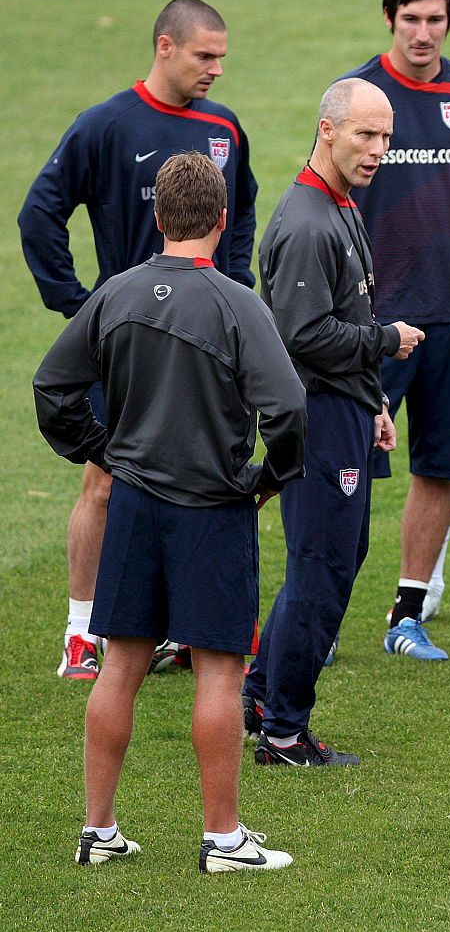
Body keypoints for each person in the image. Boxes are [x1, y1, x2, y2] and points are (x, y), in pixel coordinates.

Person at [34, 152, 305, 872]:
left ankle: (98, 830)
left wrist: (108, 454)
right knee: (220, 667)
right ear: (220, 220)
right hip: (212, 511)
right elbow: (287, 409)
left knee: (119, 664)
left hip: (133, 508)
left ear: (158, 218)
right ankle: (223, 839)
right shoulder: (238, 303)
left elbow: (52, 389)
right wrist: (266, 479)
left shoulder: (115, 294)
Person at [19, 0, 259, 681]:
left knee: (203, 473)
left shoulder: (224, 127)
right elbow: (39, 214)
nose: (217, 68)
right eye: (204, 55)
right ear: (164, 46)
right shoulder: (105, 125)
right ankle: (80, 634)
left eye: (221, 55)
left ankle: (183, 630)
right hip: (128, 343)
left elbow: (240, 210)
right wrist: (79, 306)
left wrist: (234, 288)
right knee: (105, 480)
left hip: (208, 339)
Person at [242, 79, 425, 766]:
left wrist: (372, 401)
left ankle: (262, 695)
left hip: (343, 408)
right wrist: (386, 341)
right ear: (328, 130)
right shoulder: (308, 222)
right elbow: (301, 335)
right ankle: (285, 733)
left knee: (336, 557)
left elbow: (339, 317)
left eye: (385, 137)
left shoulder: (339, 203)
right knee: (323, 565)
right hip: (315, 415)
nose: (378, 149)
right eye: (365, 135)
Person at [341, 0, 450, 658]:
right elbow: (330, 200)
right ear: (389, 19)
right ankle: (319, 614)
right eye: (411, 18)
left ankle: (406, 614)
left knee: (443, 468)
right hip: (372, 323)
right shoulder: (356, 95)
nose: (423, 33)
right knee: (348, 470)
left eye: (435, 19)